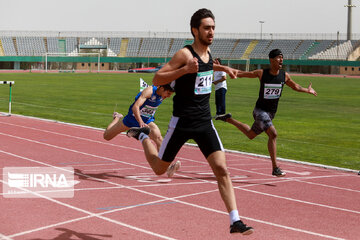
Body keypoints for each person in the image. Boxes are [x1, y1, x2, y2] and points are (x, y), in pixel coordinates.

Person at [126, 8, 254, 235]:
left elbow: (205, 68)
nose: (211, 31)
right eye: (207, 28)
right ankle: (142, 135)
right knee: (158, 169)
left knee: (222, 169)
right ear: (195, 30)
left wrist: (224, 67)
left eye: (213, 27)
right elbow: (157, 78)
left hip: (204, 122)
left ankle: (235, 220)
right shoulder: (184, 55)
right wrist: (185, 69)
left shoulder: (207, 53)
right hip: (181, 123)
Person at [220, 49, 317, 177]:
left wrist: (307, 90)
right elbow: (247, 73)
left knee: (251, 134)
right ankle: (275, 168)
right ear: (271, 60)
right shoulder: (262, 73)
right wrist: (234, 73)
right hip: (260, 110)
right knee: (273, 134)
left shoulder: (284, 76)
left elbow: (295, 87)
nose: (281, 60)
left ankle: (229, 119)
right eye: (278, 57)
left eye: (282, 57)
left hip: (271, 113)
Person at [103, 84, 180, 177]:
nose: (168, 96)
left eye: (170, 94)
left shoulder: (162, 95)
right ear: (162, 88)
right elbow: (135, 107)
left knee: (159, 138)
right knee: (106, 136)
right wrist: (140, 122)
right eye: (168, 93)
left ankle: (168, 167)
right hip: (131, 120)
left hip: (147, 121)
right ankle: (116, 118)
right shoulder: (149, 91)